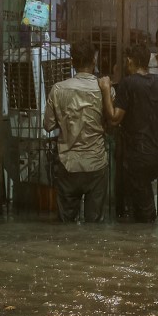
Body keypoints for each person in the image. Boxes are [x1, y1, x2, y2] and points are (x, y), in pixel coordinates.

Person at [99, 42, 158, 223]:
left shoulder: (128, 83)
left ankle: (147, 240)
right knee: (142, 195)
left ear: (130, 61)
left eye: (126, 60)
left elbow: (114, 118)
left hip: (138, 156)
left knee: (143, 208)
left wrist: (106, 90)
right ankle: (145, 240)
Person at [42, 40, 109, 223]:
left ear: (72, 62)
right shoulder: (104, 90)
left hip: (67, 164)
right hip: (96, 164)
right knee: (94, 226)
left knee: (65, 226)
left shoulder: (58, 89)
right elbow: (111, 120)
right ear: (94, 62)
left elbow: (47, 125)